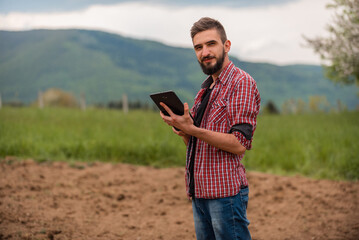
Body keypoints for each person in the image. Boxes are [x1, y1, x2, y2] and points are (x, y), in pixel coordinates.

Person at [160, 17, 260, 240]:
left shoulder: (241, 83)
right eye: (198, 47)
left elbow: (239, 144)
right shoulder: (206, 89)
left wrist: (193, 130)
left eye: (211, 44)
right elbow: (198, 143)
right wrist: (184, 130)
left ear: (226, 46)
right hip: (200, 193)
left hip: (225, 195)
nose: (204, 52)